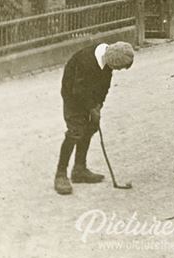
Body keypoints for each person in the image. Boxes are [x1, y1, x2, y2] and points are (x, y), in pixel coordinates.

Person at [55, 41, 135, 195]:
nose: (117, 70)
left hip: (88, 97)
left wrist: (98, 106)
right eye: (118, 68)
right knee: (75, 131)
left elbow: (104, 87)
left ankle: (79, 169)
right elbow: (78, 90)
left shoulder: (107, 61)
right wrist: (92, 108)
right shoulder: (87, 62)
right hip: (72, 94)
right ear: (113, 62)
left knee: (90, 127)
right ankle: (60, 174)